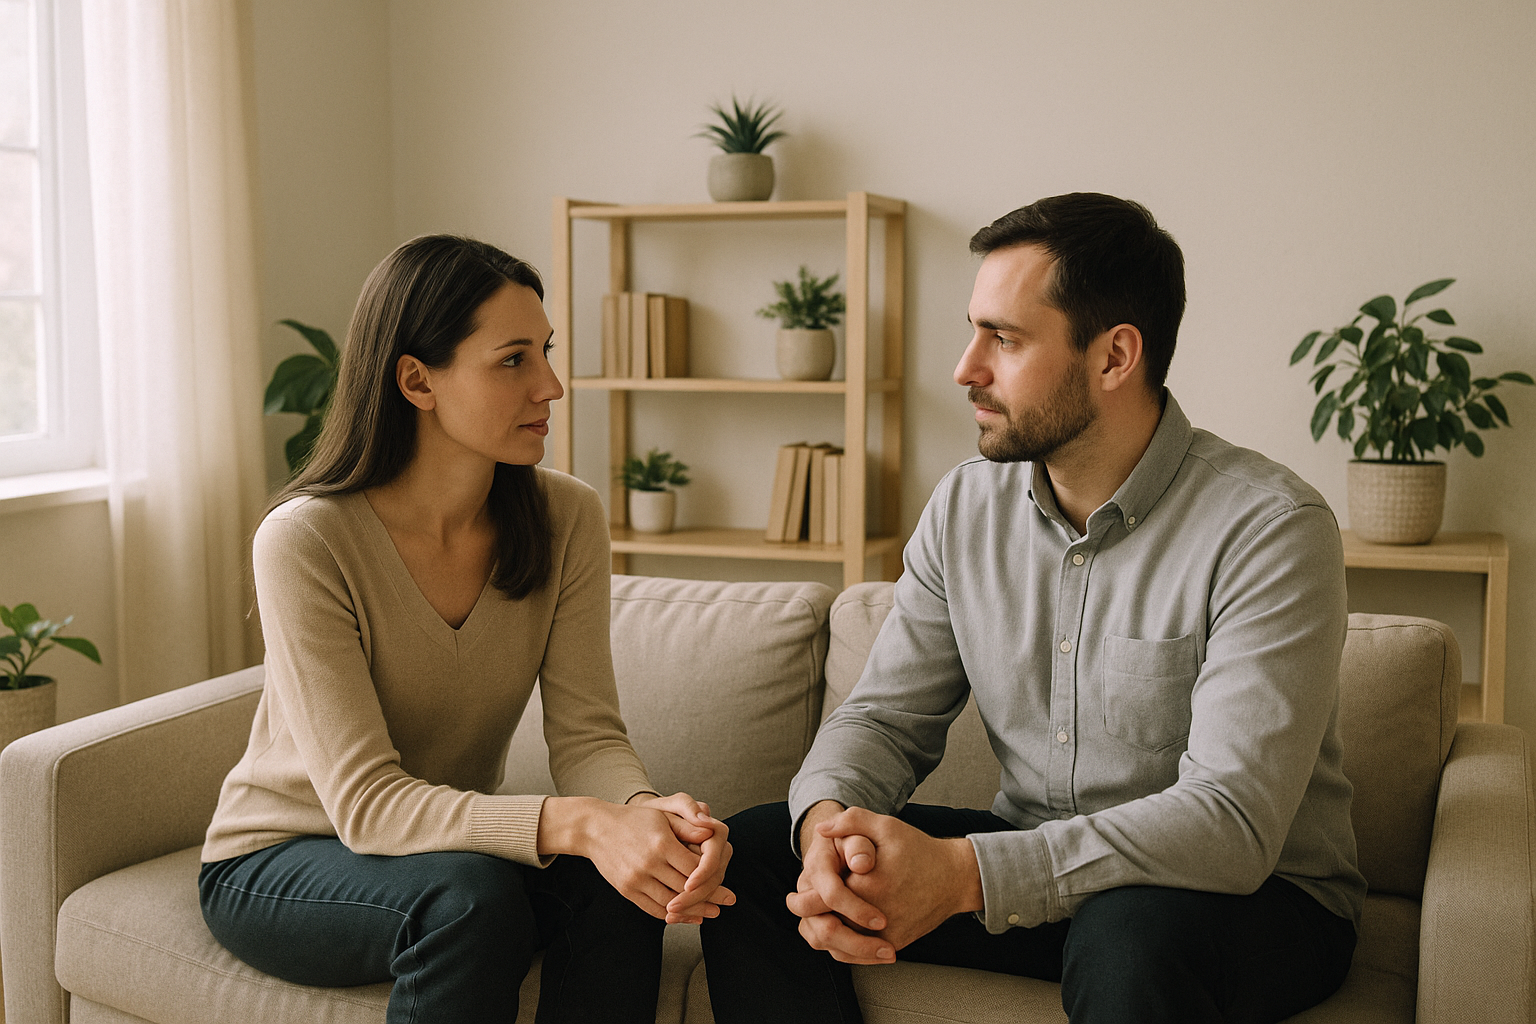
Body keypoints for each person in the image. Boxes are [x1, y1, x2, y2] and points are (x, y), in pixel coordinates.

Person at [701, 193, 1363, 1024]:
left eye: (1004, 339)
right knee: (753, 854)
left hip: (1249, 897)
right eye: (975, 329)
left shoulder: (1270, 528)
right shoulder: (965, 508)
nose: (964, 367)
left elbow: (1230, 823)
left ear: (1115, 355)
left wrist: (967, 874)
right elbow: (884, 718)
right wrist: (829, 831)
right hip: (1037, 870)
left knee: (1129, 931)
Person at [200, 234, 732, 1023]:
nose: (551, 385)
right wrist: (579, 821)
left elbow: (587, 733)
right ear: (417, 380)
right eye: (513, 359)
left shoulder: (567, 516)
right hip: (280, 859)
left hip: (439, 854)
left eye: (545, 352)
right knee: (470, 898)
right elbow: (369, 805)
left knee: (623, 881)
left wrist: (641, 816)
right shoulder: (306, 540)